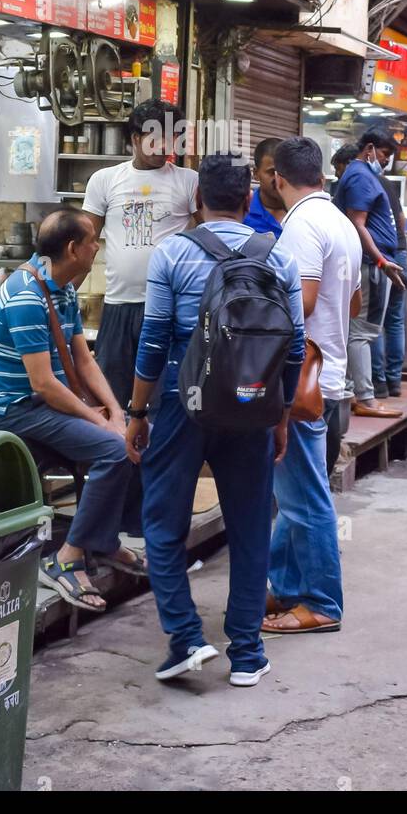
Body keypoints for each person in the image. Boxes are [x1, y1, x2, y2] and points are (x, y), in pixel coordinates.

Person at [125, 153, 305, 685]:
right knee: (250, 526)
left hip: (186, 400)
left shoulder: (172, 254)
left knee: (162, 521)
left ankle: (185, 638)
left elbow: (153, 340)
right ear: (248, 199)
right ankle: (246, 653)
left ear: (196, 200)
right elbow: (293, 348)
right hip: (254, 402)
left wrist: (138, 411)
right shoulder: (280, 257)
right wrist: (282, 413)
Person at [0, 209, 144, 613]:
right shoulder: (25, 296)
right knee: (112, 450)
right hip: (18, 409)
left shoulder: (63, 287)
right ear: (73, 249)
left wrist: (116, 412)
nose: (97, 246)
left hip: (47, 404)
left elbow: (84, 360)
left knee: (137, 435)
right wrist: (102, 425)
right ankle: (66, 556)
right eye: (92, 241)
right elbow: (44, 385)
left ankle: (102, 542)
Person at [263, 135, 357, 633]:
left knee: (305, 496)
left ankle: (320, 602)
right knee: (295, 490)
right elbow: (353, 304)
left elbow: (301, 304)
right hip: (329, 374)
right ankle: (285, 587)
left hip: (304, 382)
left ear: (278, 178)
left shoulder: (300, 226)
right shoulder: (340, 223)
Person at [83, 99, 198, 406]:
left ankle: (157, 454)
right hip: (119, 306)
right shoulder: (104, 180)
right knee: (111, 398)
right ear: (135, 139)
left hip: (167, 308)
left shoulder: (188, 182)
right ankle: (116, 453)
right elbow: (86, 243)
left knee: (164, 400)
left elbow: (209, 240)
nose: (165, 147)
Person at [334, 130, 406, 418]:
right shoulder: (361, 176)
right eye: (385, 154)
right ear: (370, 148)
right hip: (371, 264)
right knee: (362, 332)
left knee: (359, 330)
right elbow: (358, 222)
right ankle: (364, 397)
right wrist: (381, 262)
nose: (387, 161)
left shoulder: (360, 175)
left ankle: (355, 391)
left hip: (371, 262)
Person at [371, 164, 407, 399]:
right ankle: (394, 380)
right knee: (395, 320)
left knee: (375, 321)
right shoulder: (386, 183)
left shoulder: (361, 183)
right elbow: (401, 219)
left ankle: (379, 383)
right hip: (400, 253)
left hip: (381, 257)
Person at [244, 137, 285, 237]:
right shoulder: (242, 211)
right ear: (256, 174)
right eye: (272, 172)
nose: (278, 178)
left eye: (284, 172)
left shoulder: (303, 211)